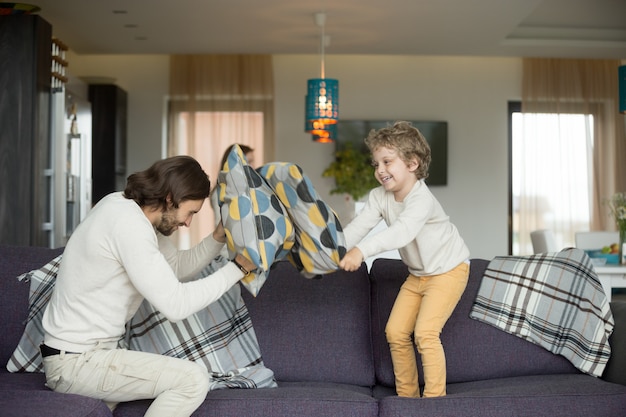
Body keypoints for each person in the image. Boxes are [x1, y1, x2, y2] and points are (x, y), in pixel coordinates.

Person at [40, 155, 257, 417]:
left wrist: (217, 238)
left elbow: (176, 267)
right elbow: (176, 305)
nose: (188, 223)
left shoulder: (126, 208)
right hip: (76, 363)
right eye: (190, 213)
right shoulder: (129, 225)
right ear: (169, 198)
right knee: (193, 379)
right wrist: (238, 269)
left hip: (86, 357)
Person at [339, 121, 470, 398]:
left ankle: (435, 402)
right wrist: (334, 249)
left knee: (425, 333)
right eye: (376, 164)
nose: (380, 170)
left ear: (412, 163)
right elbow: (357, 228)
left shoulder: (421, 199)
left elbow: (401, 233)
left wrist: (361, 252)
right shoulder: (379, 197)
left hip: (449, 272)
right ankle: (407, 400)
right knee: (396, 331)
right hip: (419, 275)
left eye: (387, 161)